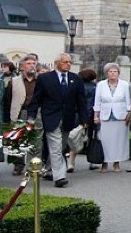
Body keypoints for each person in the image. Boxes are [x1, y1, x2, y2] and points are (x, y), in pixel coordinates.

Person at [26, 53, 89, 188]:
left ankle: (51, 170)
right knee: (55, 147)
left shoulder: (75, 79)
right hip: (50, 118)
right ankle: (59, 177)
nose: (68, 64)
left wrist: (84, 119)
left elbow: (81, 101)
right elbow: (36, 99)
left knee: (61, 147)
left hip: (68, 119)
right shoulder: (45, 78)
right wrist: (31, 116)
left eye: (69, 62)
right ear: (57, 63)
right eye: (65, 62)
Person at [92, 62, 131, 173]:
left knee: (118, 141)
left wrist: (128, 113)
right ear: (106, 73)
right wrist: (96, 115)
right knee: (104, 141)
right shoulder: (101, 85)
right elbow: (97, 100)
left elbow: (128, 100)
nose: (113, 74)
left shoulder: (124, 85)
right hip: (105, 116)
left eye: (115, 71)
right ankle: (104, 163)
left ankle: (116, 163)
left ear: (118, 73)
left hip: (120, 116)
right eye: (110, 71)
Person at [9, 55, 40, 175]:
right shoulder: (15, 81)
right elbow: (8, 99)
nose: (32, 65)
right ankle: (18, 165)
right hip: (21, 111)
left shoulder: (41, 80)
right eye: (29, 63)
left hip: (36, 112)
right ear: (22, 66)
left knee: (35, 140)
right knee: (18, 140)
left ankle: (33, 165)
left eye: (34, 63)